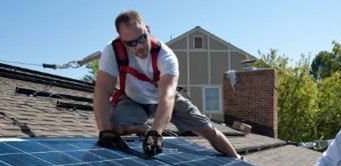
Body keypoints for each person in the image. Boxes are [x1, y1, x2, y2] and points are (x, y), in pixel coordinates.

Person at [93, 10, 240, 158]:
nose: (138, 47)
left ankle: (238, 160)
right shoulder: (112, 51)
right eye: (131, 43)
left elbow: (167, 97)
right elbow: (102, 91)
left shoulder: (165, 56)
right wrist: (104, 132)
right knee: (112, 129)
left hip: (163, 99)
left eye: (142, 38)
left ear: (148, 30)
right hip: (133, 99)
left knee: (209, 130)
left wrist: (156, 132)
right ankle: (142, 127)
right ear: (122, 40)